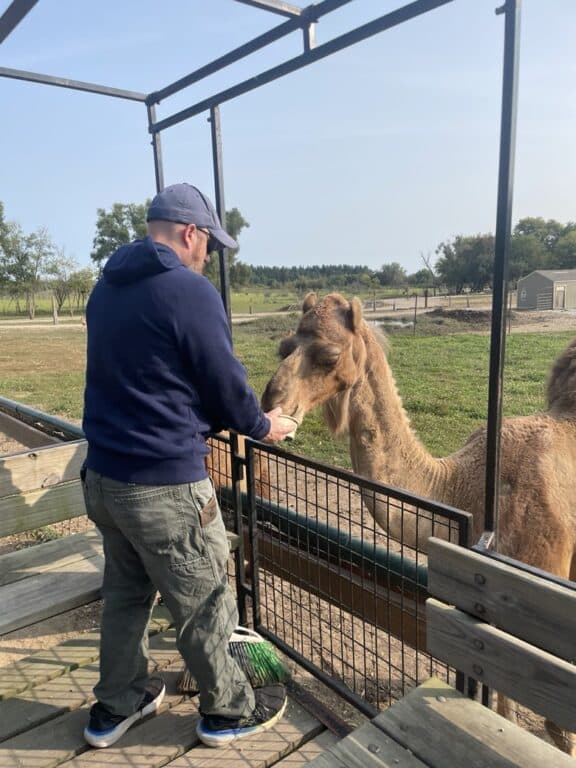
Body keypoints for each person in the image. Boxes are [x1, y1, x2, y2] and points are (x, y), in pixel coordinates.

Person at [81, 182, 294, 750]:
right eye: (210, 246)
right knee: (204, 597)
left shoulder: (104, 290)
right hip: (163, 484)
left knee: (126, 595)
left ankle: (116, 703)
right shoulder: (188, 291)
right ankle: (229, 710)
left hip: (102, 477)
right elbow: (226, 387)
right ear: (191, 234)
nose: (208, 258)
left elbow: (147, 378)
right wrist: (263, 425)